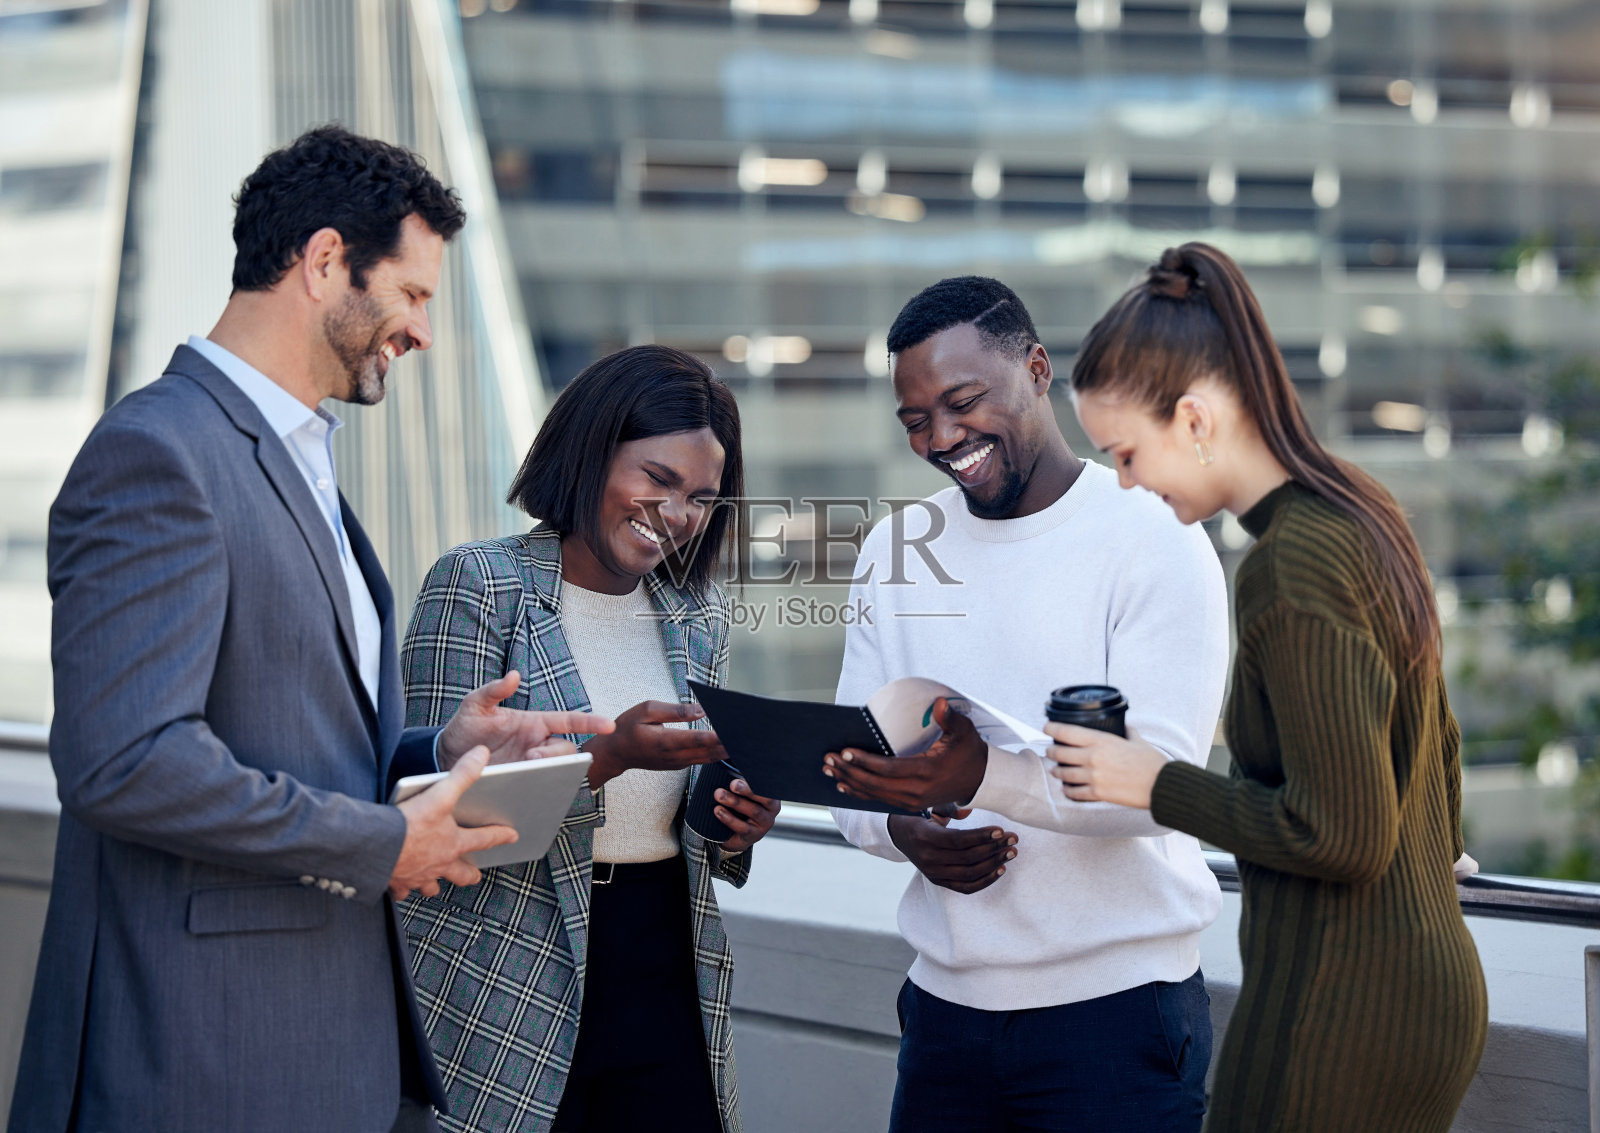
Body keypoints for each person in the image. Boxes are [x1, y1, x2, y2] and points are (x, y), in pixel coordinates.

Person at [7, 126, 614, 1133]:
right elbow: (125, 758)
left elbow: (288, 731)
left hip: (321, 1047)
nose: (422, 330)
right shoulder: (159, 454)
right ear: (325, 261)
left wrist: (441, 752)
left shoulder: (299, 456)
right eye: (414, 294)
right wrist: (384, 839)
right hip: (208, 1057)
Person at [1050, 242, 1488, 1133]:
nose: (1127, 483)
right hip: (1430, 985)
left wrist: (1153, 783)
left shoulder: (1287, 566)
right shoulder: (1361, 507)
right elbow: (1434, 740)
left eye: (1128, 453)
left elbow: (1342, 834)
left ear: (1196, 417)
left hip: (1343, 1006)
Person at [822, 277, 1230, 1133]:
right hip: (944, 1016)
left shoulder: (1154, 537)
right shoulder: (897, 549)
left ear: (1038, 369)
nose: (942, 437)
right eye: (915, 420)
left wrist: (981, 774)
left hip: (1117, 1018)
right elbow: (852, 771)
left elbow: (1163, 781)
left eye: (963, 401)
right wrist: (903, 828)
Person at [399, 344, 779, 1133]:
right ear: (589, 451)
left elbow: (682, 821)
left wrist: (736, 820)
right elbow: (432, 829)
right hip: (510, 976)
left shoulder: (697, 614)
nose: (676, 515)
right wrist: (609, 758)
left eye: (702, 497)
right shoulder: (479, 585)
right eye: (657, 479)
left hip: (670, 969)